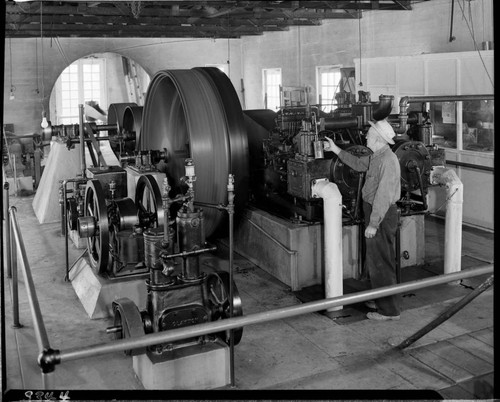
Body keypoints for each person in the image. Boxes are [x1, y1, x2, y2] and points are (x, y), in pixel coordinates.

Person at [324, 119, 402, 321]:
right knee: (376, 260)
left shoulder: (388, 161)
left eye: (369, 134)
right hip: (375, 210)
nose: (366, 136)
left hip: (381, 214)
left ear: (377, 138)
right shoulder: (377, 156)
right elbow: (358, 164)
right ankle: (381, 299)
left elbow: (383, 196)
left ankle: (389, 311)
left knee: (381, 262)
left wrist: (373, 224)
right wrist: (335, 149)